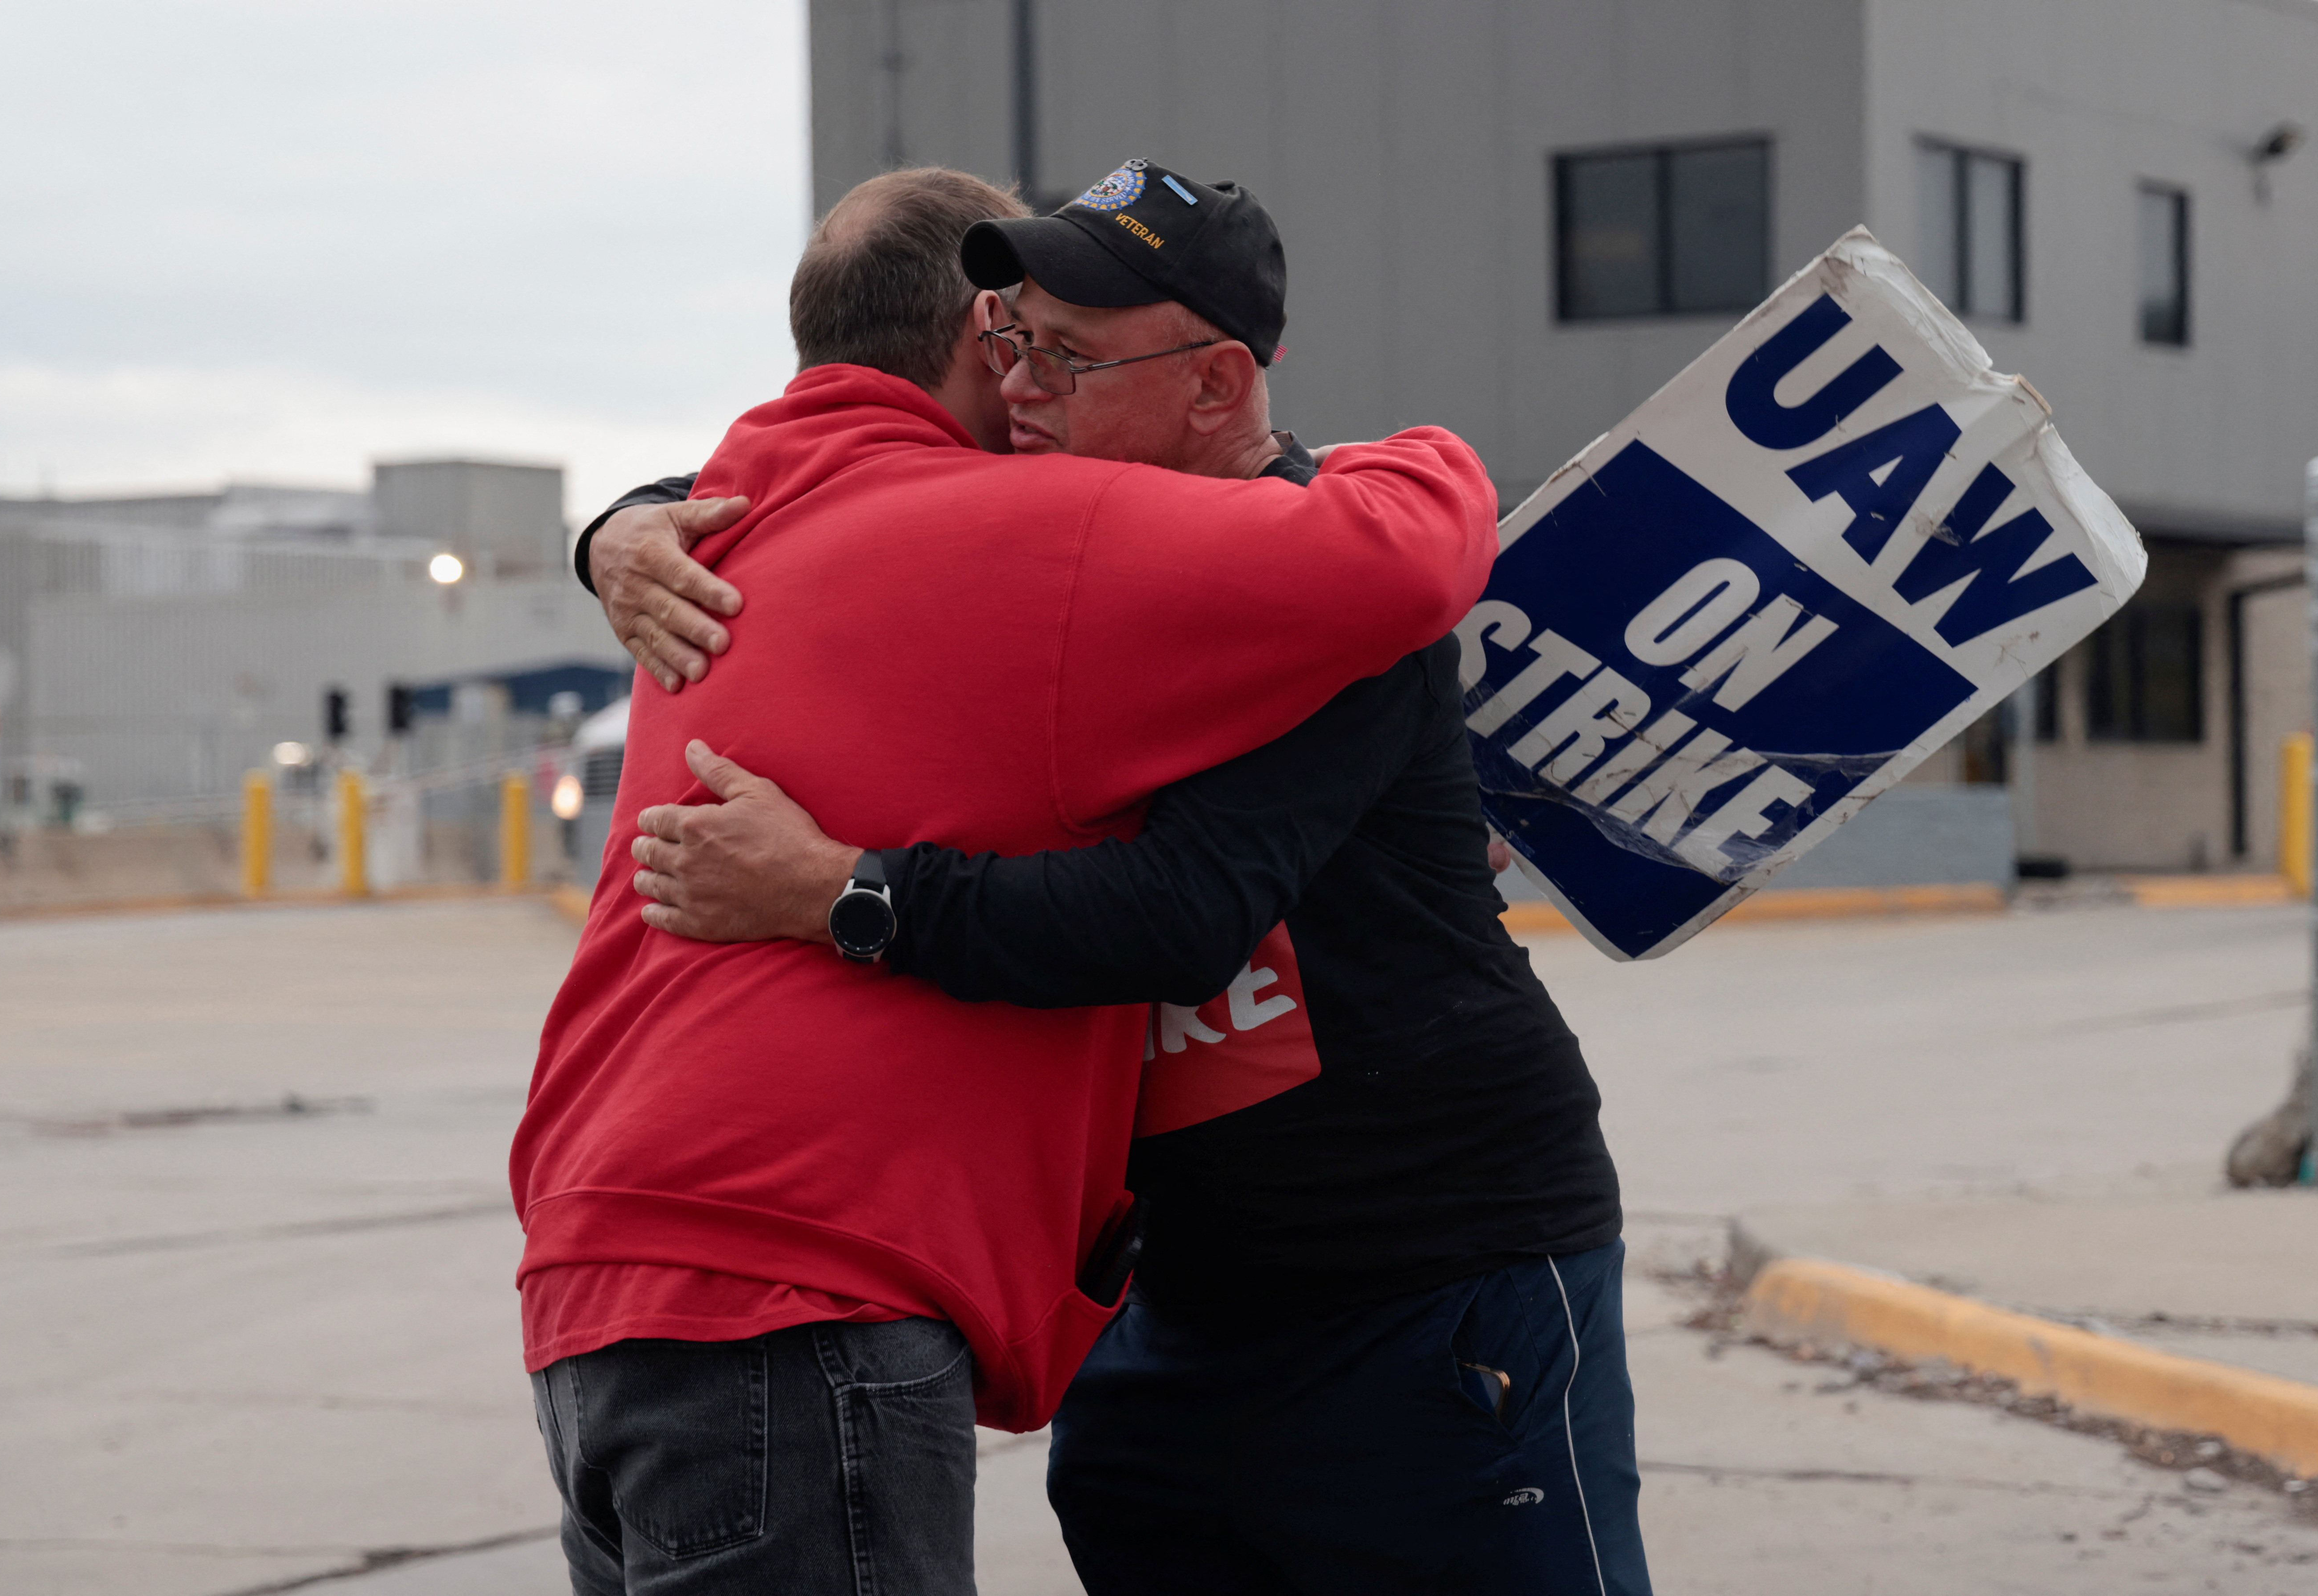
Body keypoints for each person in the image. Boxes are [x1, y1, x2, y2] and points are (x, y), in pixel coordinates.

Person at [590, 161, 1652, 1594]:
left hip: (1420, 1265)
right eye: (1012, 342)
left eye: (1069, 357)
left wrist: (847, 889)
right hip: (1165, 1301)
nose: (1019, 390)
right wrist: (628, 523)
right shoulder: (1035, 543)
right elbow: (833, 463)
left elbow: (1179, 913)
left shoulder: (1314, 581)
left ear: (1216, 386)